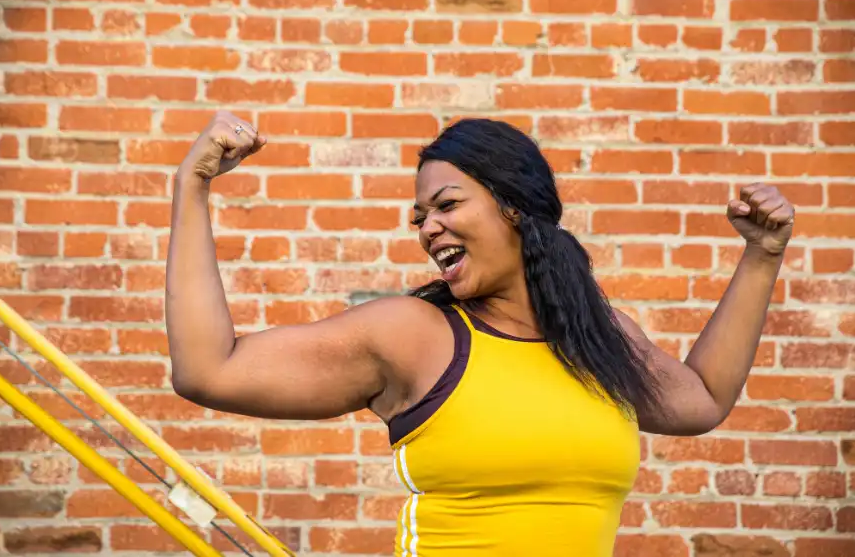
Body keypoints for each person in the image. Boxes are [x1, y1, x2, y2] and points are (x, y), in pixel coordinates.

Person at [166, 112, 795, 557]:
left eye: (446, 205)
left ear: (514, 205)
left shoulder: (599, 338)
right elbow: (209, 369)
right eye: (420, 217)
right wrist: (191, 188)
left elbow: (704, 398)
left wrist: (762, 257)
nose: (427, 229)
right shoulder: (416, 334)